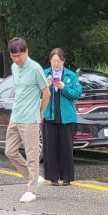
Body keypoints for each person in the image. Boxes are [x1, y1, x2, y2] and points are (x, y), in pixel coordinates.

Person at [6, 37, 50, 203]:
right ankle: (34, 177)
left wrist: (40, 112)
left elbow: (46, 93)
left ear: (26, 52)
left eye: (19, 56)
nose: (17, 60)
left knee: (32, 154)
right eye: (13, 56)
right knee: (9, 151)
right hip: (15, 117)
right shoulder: (14, 68)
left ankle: (32, 190)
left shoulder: (35, 69)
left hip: (30, 119)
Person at [42, 48, 81, 185]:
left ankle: (67, 177)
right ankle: (53, 177)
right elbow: (37, 93)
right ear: (50, 61)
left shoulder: (70, 75)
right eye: (53, 61)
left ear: (63, 61)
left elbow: (77, 94)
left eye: (58, 61)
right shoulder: (44, 74)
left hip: (67, 117)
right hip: (49, 116)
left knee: (66, 147)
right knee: (50, 147)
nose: (56, 64)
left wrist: (64, 87)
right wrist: (45, 86)